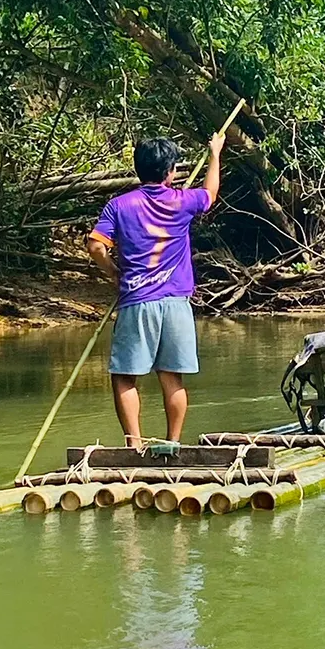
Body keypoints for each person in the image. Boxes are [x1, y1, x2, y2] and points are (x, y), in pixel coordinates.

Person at [86, 133, 225, 448]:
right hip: (175, 302)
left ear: (138, 169)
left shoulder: (119, 205)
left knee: (124, 377)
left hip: (137, 302)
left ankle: (133, 445)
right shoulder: (183, 201)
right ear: (171, 171)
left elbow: (96, 246)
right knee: (172, 377)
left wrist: (114, 273)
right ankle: (172, 442)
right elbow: (210, 193)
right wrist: (215, 153)